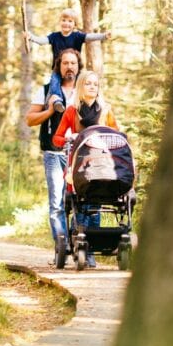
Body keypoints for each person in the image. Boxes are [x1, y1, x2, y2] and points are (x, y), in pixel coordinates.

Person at [53, 70, 119, 268]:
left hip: (101, 164)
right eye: (88, 83)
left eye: (95, 84)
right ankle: (79, 243)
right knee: (80, 206)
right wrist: (68, 137)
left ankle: (89, 249)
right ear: (81, 86)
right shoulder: (72, 111)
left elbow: (117, 134)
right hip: (78, 165)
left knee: (95, 204)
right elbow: (56, 139)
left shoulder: (106, 110)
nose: (92, 87)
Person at [26, 48, 82, 257]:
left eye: (73, 63)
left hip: (80, 155)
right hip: (54, 153)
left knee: (81, 202)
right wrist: (49, 111)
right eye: (65, 63)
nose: (69, 67)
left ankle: (83, 248)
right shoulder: (48, 89)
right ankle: (62, 248)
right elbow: (30, 119)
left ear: (78, 66)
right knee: (57, 204)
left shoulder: (85, 89)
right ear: (58, 66)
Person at [28, 8, 111, 104]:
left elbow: (90, 37)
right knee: (54, 83)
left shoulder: (77, 36)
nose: (66, 23)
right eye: (63, 20)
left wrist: (103, 36)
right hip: (58, 69)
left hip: (75, 69)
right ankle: (57, 101)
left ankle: (87, 101)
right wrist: (31, 37)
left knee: (84, 81)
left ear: (74, 24)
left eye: (70, 21)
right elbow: (42, 41)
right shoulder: (54, 36)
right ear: (60, 22)